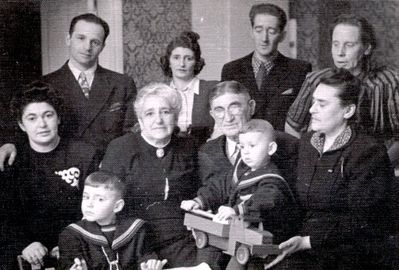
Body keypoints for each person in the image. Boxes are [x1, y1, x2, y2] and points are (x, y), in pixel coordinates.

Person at [264, 69, 395, 270]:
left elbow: (365, 223)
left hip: (350, 252)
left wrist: (308, 242)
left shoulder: (367, 152)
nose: (311, 110)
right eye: (314, 101)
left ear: (348, 111)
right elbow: (298, 204)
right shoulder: (308, 142)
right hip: (305, 242)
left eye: (322, 104)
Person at [100, 83, 216, 269]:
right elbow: (106, 203)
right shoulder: (120, 147)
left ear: (176, 116)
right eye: (150, 113)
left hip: (183, 240)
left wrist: (201, 199)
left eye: (165, 112)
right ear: (140, 119)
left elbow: (212, 183)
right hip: (134, 242)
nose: (159, 120)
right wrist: (143, 253)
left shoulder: (188, 147)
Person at [0, 13, 137, 170]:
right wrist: (8, 143)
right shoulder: (44, 84)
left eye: (95, 42)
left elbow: (130, 135)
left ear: (103, 47)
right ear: (68, 39)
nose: (87, 47)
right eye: (81, 38)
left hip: (108, 169)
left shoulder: (122, 84)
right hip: (59, 169)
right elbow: (26, 127)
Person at [182, 119, 298, 269]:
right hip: (236, 227)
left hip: (261, 236)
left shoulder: (272, 179)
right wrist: (199, 201)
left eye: (252, 146)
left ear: (271, 148)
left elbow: (264, 201)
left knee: (240, 262)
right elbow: (219, 186)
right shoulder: (242, 168)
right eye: (242, 147)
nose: (246, 152)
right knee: (208, 248)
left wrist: (237, 210)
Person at [285, 14, 399, 165]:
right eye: (335, 44)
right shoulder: (315, 81)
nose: (340, 52)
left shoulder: (389, 84)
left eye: (349, 45)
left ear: (367, 48)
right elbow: (292, 126)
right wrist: (312, 161)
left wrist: (381, 165)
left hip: (373, 171)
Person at [9, 82, 99, 268]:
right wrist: (24, 244)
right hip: (28, 250)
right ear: (21, 125)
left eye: (48, 115)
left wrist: (71, 242)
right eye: (32, 118)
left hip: (79, 245)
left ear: (58, 118)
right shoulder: (13, 162)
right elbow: (6, 216)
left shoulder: (84, 154)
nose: (42, 124)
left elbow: (97, 208)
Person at [221, 3, 311, 131]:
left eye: (272, 31)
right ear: (251, 32)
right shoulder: (231, 70)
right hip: (242, 144)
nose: (264, 38)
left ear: (282, 36)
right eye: (259, 30)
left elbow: (302, 120)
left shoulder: (300, 70)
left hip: (282, 146)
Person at [199, 81, 299, 192]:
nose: (228, 118)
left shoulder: (288, 146)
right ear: (212, 115)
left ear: (251, 107)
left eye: (234, 107)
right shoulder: (206, 152)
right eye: (219, 110)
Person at [58, 171, 167, 270]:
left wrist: (150, 265)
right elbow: (68, 264)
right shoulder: (72, 234)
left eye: (100, 199)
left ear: (117, 206)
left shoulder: (137, 230)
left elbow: (145, 258)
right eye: (86, 197)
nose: (89, 204)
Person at [160, 31, 218, 146]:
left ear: (196, 62)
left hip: (205, 152)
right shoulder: (161, 94)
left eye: (188, 58)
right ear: (169, 61)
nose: (182, 64)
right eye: (176, 58)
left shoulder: (212, 89)